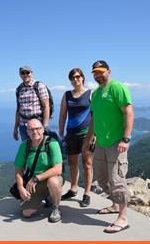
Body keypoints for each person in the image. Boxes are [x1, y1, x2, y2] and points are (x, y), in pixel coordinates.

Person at [83, 60, 134, 233]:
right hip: (100, 143)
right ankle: (115, 205)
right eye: (95, 72)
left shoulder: (117, 87)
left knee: (117, 180)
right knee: (102, 178)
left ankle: (123, 218)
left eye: (101, 71)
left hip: (116, 143)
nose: (98, 75)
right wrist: (89, 138)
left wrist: (125, 139)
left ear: (108, 71)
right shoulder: (96, 94)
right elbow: (94, 118)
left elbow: (128, 111)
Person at [13, 119, 63, 223]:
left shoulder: (51, 143)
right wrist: (21, 188)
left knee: (53, 182)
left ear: (43, 129)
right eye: (31, 129)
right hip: (35, 184)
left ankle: (56, 208)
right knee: (26, 213)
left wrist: (36, 178)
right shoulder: (24, 146)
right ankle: (47, 196)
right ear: (27, 132)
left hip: (51, 178)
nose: (34, 132)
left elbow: (58, 169)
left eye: (37, 128)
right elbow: (18, 169)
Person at [58, 68, 93, 207]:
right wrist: (61, 132)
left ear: (83, 77)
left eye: (78, 77)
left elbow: (96, 114)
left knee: (87, 164)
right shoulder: (67, 95)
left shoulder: (91, 94)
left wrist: (93, 134)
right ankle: (73, 189)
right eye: (72, 78)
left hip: (87, 134)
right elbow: (62, 115)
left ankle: (87, 193)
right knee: (72, 164)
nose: (75, 80)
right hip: (71, 134)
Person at [13, 66, 50, 141]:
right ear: (20, 75)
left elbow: (46, 106)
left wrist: (45, 125)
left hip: (37, 125)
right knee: (27, 148)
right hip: (23, 126)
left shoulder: (39, 86)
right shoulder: (19, 89)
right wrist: (15, 128)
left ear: (32, 73)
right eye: (23, 73)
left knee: (40, 148)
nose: (25, 74)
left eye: (27, 72)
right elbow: (18, 109)